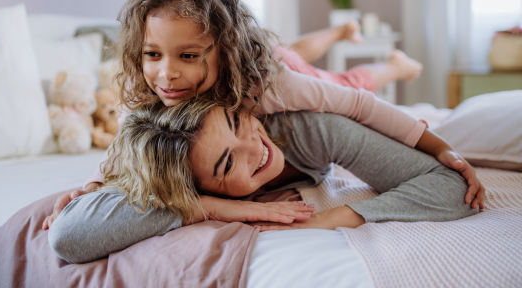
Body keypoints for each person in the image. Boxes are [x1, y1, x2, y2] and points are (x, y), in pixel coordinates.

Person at [42, 0, 483, 230]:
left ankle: (395, 65)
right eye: (152, 54)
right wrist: (96, 186)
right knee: (293, 49)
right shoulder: (153, 104)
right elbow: (123, 155)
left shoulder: (269, 87)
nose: (166, 74)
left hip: (281, 68)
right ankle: (337, 33)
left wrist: (439, 147)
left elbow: (360, 108)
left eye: (189, 55)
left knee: (345, 83)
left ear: (224, 51)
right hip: (271, 55)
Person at [48, 101, 480, 264]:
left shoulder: (310, 129)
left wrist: (338, 217)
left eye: (237, 123)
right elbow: (68, 236)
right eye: (225, 165)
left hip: (296, 80)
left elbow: (448, 184)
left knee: (349, 84)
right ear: (201, 187)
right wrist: (212, 208)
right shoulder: (185, 182)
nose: (255, 149)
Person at [278, 20, 422, 93]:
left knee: (342, 84)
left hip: (268, 69)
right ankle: (341, 31)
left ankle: (396, 67)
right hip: (266, 53)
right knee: (288, 54)